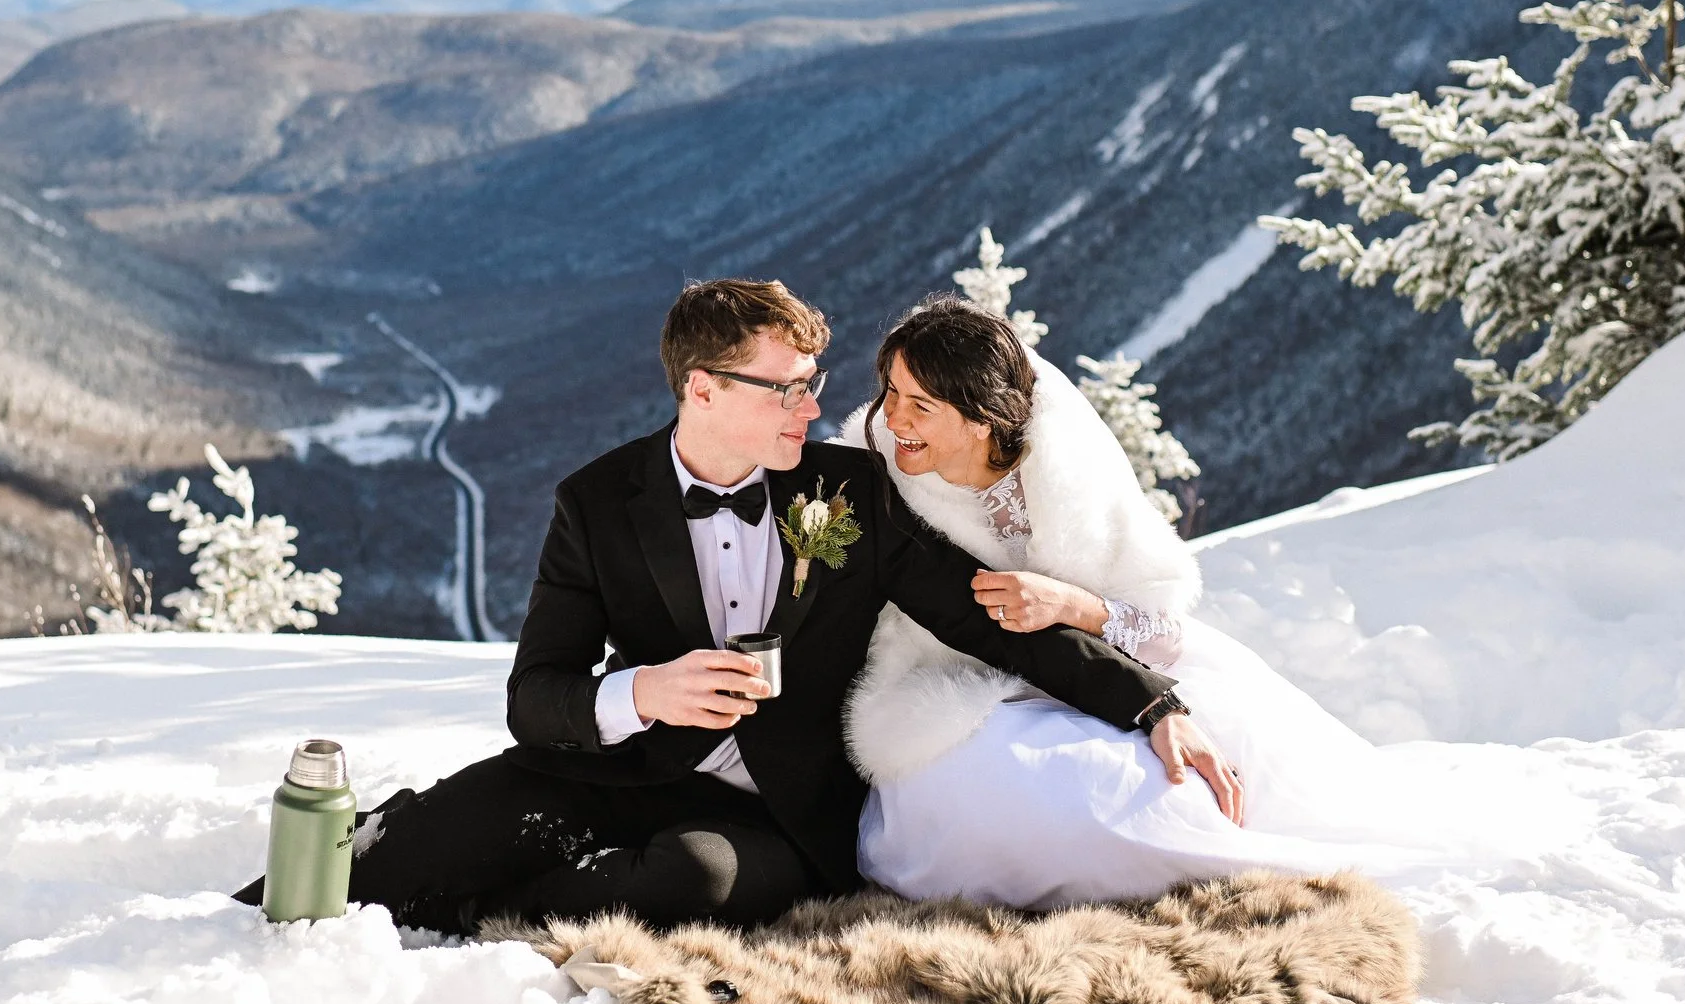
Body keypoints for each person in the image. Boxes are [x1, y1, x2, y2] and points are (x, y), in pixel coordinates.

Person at [285, 277, 1218, 934]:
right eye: (789, 388)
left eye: (812, 385)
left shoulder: (849, 492)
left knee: (690, 882)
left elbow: (987, 617)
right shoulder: (598, 500)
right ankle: (436, 850)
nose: (813, 410)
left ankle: (500, 906)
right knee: (350, 882)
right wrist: (646, 692)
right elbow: (538, 696)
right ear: (704, 388)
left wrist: (1152, 703)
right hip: (612, 769)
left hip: (768, 813)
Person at [849, 295, 1521, 909]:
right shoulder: (877, 476)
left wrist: (1077, 606)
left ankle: (1324, 876)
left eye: (920, 406)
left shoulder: (1064, 469)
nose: (893, 419)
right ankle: (1240, 878)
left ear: (980, 417)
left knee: (1249, 755)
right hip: (958, 689)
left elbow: (1162, 623)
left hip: (1111, 657)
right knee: (1088, 800)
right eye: (891, 393)